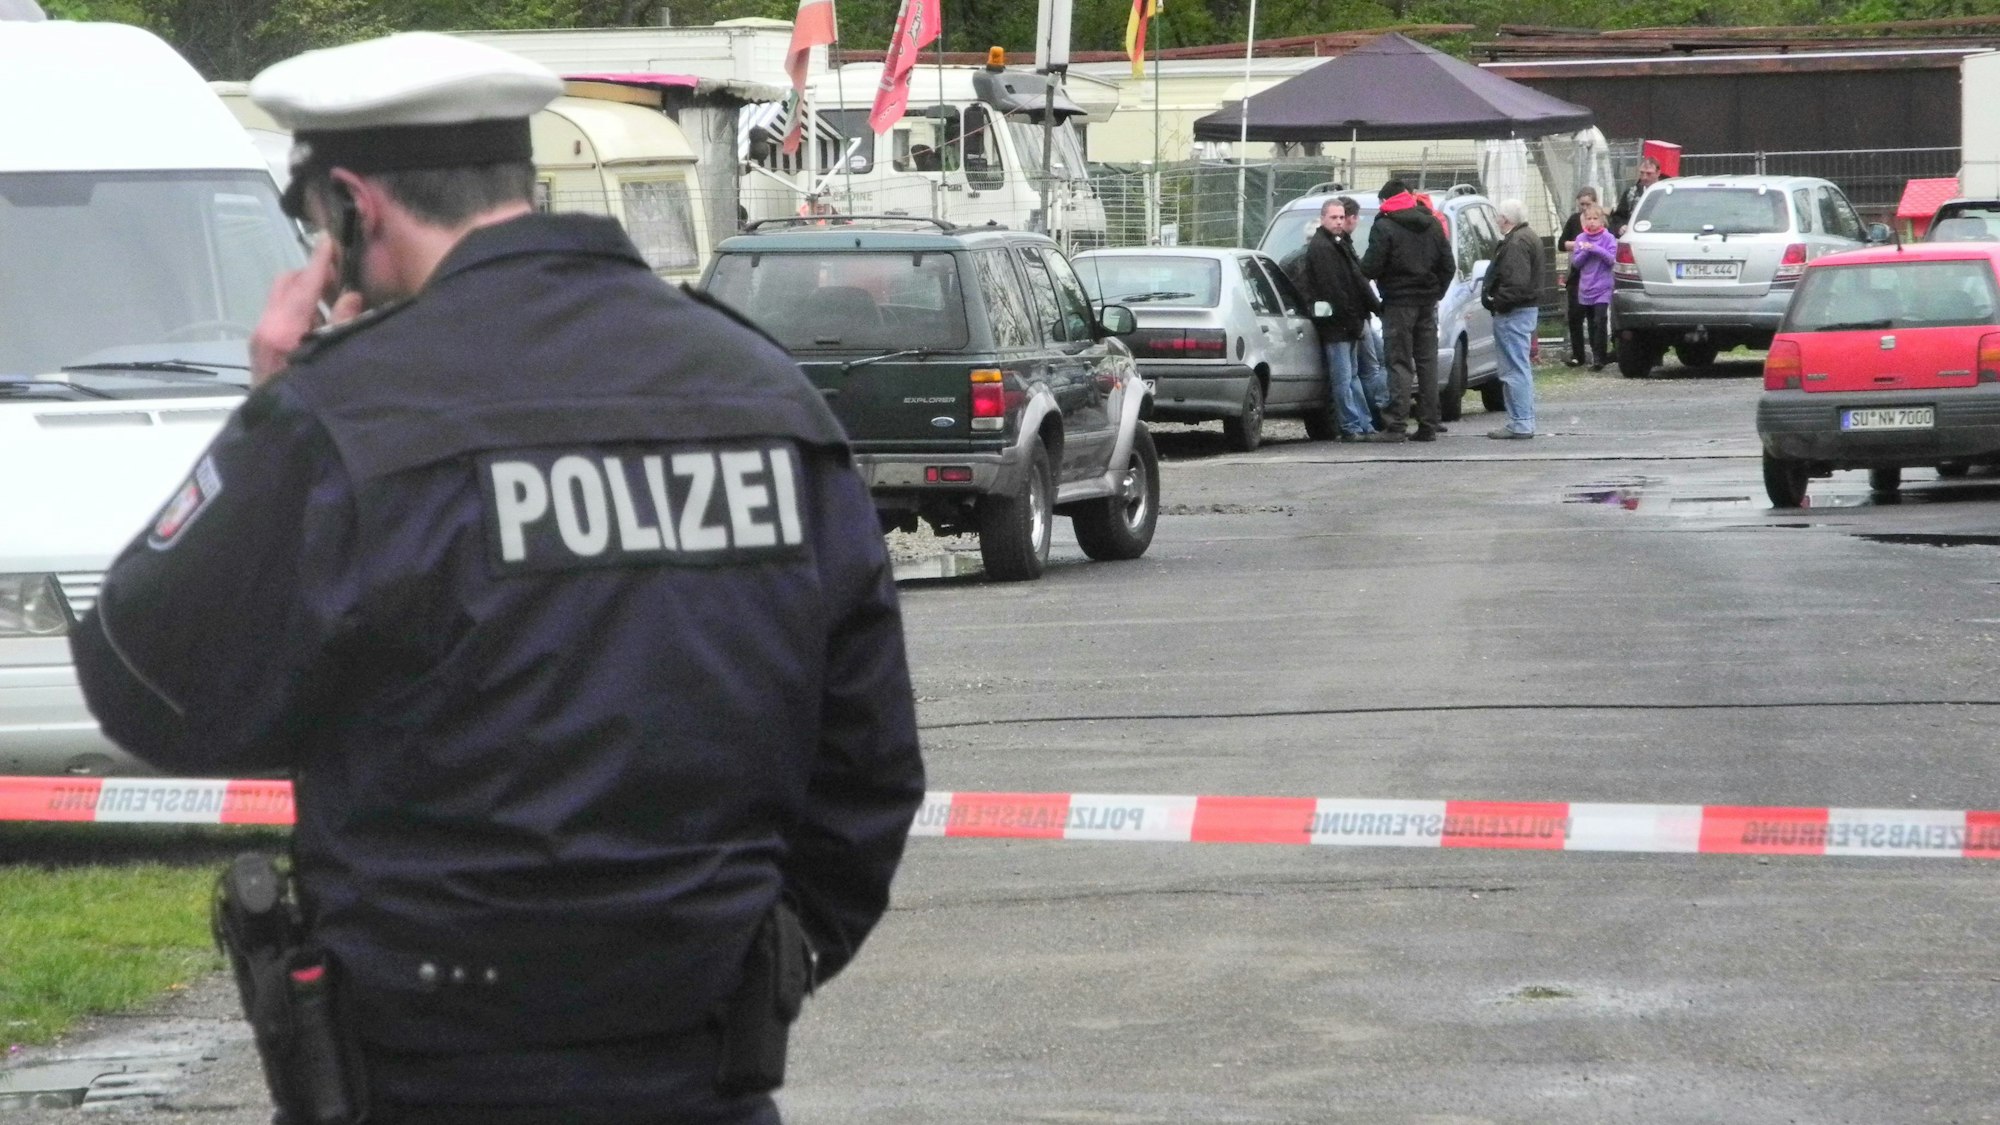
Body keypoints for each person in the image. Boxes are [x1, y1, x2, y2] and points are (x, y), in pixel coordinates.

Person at [67, 31, 924, 1125]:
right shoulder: (763, 392)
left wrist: (272, 413)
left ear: (353, 208)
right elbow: (866, 768)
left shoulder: (345, 411)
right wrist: (750, 967)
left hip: (426, 1073)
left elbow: (146, 683)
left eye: (314, 225)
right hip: (700, 1067)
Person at [1359, 179, 1456, 443]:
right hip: (1427, 303)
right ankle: (1428, 424)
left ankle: (1396, 425)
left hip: (1398, 304)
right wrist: (1436, 292)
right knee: (1427, 362)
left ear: (1384, 201)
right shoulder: (1432, 223)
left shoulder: (1384, 226)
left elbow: (1371, 266)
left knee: (1399, 363)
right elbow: (1448, 265)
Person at [1298, 196, 1381, 440]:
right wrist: (1356, 316)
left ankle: (1363, 424)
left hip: (1349, 321)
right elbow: (1334, 289)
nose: (1338, 222)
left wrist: (1370, 309)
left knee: (1352, 375)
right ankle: (1351, 426)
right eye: (1333, 217)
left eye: (1341, 217)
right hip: (1337, 324)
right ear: (1322, 218)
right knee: (1343, 378)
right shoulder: (1323, 249)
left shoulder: (1339, 243)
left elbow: (1357, 280)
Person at [1481, 198, 1545, 440]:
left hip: (1513, 312)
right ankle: (1522, 419)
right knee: (1519, 367)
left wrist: (1496, 301)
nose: (1497, 220)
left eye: (1498, 216)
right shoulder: (1528, 236)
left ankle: (1521, 421)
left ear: (1506, 219)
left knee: (1513, 369)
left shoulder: (1516, 242)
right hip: (1524, 309)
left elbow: (1516, 283)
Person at [1569, 203, 1618, 371]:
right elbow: (1576, 263)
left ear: (1602, 220)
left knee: (1600, 320)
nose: (1591, 222)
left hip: (1603, 286)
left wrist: (1595, 248)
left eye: (1595, 218)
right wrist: (1585, 251)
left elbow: (1611, 259)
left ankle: (1600, 357)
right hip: (1586, 287)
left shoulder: (1608, 238)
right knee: (1591, 323)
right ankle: (1595, 355)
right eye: (1588, 218)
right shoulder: (1581, 238)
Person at [1557, 186, 1599, 366]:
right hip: (1576, 274)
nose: (1584, 208)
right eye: (1581, 204)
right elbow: (1561, 244)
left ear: (1595, 203)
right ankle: (1578, 355)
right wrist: (1578, 244)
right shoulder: (1574, 220)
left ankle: (1598, 355)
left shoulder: (1601, 221)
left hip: (1595, 275)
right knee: (1575, 316)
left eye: (1587, 204)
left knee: (1594, 317)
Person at [1610, 156, 1662, 237]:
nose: (1644, 177)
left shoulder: (1667, 193)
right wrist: (1620, 227)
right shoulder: (1631, 193)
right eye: (1642, 173)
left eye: (1649, 173)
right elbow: (1618, 217)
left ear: (1658, 173)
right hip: (1634, 236)